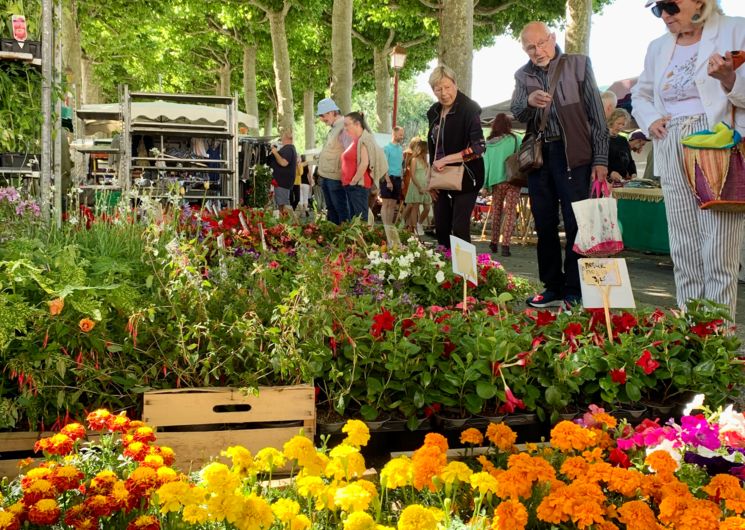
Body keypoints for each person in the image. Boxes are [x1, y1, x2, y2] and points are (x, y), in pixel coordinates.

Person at [631, 0, 745, 320]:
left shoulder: (736, 30)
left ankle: (717, 339)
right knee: (683, 243)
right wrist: (650, 118)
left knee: (719, 247)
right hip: (670, 140)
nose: (665, 15)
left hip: (717, 141)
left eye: (671, 6)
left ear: (699, 2)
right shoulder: (658, 47)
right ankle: (689, 330)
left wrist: (729, 79)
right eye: (657, 9)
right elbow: (641, 94)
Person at [511, 21, 609, 308]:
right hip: (540, 156)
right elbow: (517, 112)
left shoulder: (578, 64)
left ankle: (575, 288)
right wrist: (529, 100)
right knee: (544, 223)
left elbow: (596, 116)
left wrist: (600, 159)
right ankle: (552, 285)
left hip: (575, 156)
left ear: (552, 38)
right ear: (524, 49)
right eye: (530, 47)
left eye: (541, 43)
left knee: (578, 223)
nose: (537, 51)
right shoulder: (522, 74)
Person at [426, 65, 486, 248]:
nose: (443, 93)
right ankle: (445, 270)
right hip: (441, 177)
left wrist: (446, 160)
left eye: (447, 87)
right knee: (441, 226)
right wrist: (431, 178)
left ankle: (465, 274)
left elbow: (479, 148)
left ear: (455, 85)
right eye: (438, 89)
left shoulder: (470, 108)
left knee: (460, 227)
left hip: (468, 177)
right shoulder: (433, 112)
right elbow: (433, 147)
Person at [483, 113, 522, 257]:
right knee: (511, 212)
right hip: (513, 180)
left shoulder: (489, 143)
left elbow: (486, 166)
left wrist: (485, 185)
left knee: (497, 211)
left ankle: (493, 242)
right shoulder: (516, 139)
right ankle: (506, 245)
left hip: (496, 181)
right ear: (508, 125)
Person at [317, 98, 352, 224]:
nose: (321, 118)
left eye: (323, 115)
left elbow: (350, 152)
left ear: (332, 112)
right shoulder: (335, 128)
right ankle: (333, 239)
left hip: (336, 178)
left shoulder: (344, 127)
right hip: (328, 176)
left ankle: (344, 239)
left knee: (341, 211)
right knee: (331, 210)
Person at [341, 112, 375, 221]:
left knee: (360, 220)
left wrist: (354, 181)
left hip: (358, 186)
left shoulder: (364, 139)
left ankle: (361, 238)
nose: (345, 128)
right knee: (354, 220)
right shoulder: (356, 140)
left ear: (357, 124)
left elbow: (364, 162)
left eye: (347, 124)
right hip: (352, 186)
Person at [404, 138, 432, 234]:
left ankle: (419, 223)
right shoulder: (414, 160)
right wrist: (419, 187)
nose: (427, 152)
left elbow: (428, 176)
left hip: (425, 187)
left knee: (427, 207)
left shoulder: (427, 163)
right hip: (416, 186)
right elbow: (412, 174)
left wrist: (427, 186)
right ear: (422, 150)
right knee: (415, 207)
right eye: (427, 150)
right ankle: (414, 228)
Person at [268, 129, 297, 217]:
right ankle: (286, 223)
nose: (281, 140)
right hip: (283, 181)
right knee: (283, 204)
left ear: (286, 138)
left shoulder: (288, 149)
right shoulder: (290, 149)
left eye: (282, 138)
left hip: (282, 182)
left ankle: (287, 224)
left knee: (283, 205)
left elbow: (284, 163)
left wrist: (275, 152)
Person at [381, 126, 405, 225]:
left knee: (393, 205)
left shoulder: (400, 149)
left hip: (398, 179)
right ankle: (385, 226)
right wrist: (388, 181)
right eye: (400, 135)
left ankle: (389, 227)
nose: (402, 137)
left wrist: (402, 179)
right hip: (388, 178)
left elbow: (400, 166)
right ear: (394, 134)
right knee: (386, 204)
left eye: (402, 135)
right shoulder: (386, 148)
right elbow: (384, 166)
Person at [607, 108, 637, 184]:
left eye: (623, 124)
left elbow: (630, 160)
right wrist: (610, 172)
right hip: (607, 181)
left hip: (622, 181)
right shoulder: (603, 139)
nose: (620, 127)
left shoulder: (623, 140)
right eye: (618, 123)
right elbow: (598, 161)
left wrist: (633, 173)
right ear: (611, 121)